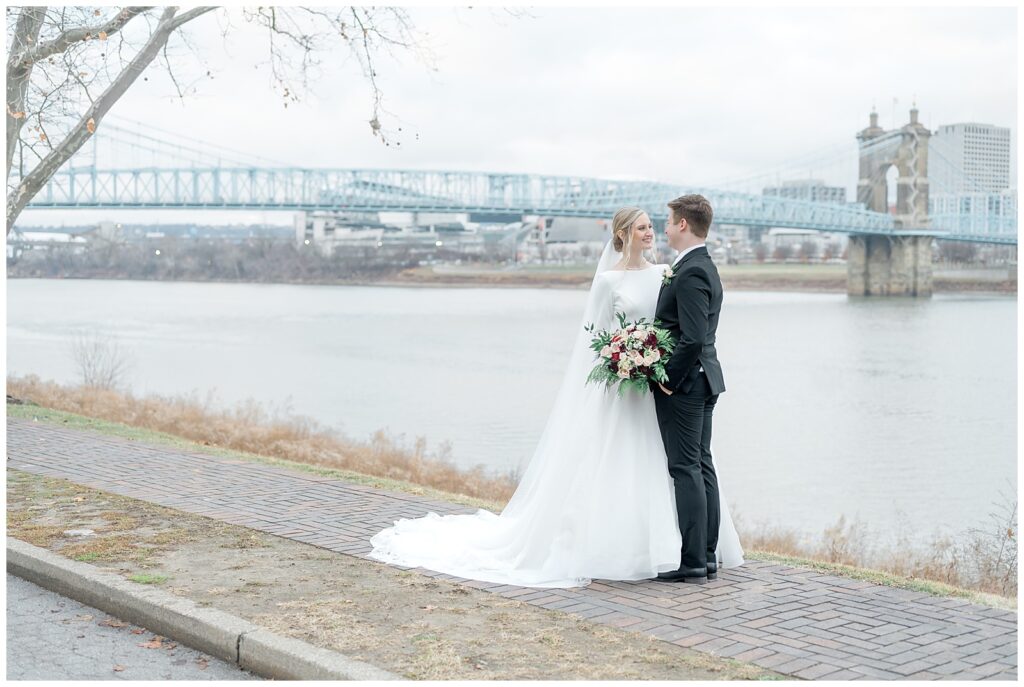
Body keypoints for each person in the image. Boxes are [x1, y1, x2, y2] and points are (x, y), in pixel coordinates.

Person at [368, 206, 743, 588]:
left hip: (663, 386)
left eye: (653, 226)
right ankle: (649, 551)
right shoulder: (609, 282)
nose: (651, 232)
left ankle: (691, 553)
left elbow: (678, 330)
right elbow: (598, 338)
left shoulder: (666, 273)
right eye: (642, 228)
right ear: (622, 235)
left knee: (681, 466)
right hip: (630, 387)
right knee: (648, 464)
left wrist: (660, 369)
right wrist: (623, 356)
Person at [652, 194, 729, 584]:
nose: (664, 229)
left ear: (683, 224)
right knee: (700, 464)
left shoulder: (691, 271)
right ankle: (707, 557)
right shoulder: (701, 265)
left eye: (667, 221)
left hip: (687, 385)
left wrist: (668, 378)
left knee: (685, 468)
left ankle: (694, 560)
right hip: (704, 379)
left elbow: (694, 337)